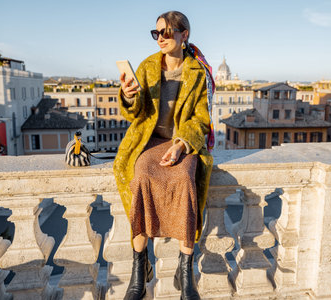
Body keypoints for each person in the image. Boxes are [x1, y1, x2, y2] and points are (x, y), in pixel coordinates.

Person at [113, 10, 215, 300]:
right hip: (149, 139)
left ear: (184, 36)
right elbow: (135, 113)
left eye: (167, 32)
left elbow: (201, 119)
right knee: (141, 176)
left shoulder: (198, 72)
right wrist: (129, 94)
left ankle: (185, 272)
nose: (161, 38)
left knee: (185, 179)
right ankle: (140, 267)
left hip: (182, 141)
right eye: (157, 32)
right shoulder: (147, 67)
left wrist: (182, 144)